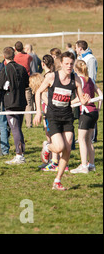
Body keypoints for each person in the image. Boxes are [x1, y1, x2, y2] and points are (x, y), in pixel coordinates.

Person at [34, 52, 89, 190]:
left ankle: (57, 180)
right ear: (61, 64)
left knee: (68, 148)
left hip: (67, 117)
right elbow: (38, 92)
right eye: (66, 64)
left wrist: (85, 99)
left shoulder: (75, 80)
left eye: (71, 64)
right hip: (53, 116)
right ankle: (47, 147)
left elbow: (81, 99)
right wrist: (39, 112)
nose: (69, 66)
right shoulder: (52, 77)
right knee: (59, 147)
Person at [0, 47, 29, 165]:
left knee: (15, 129)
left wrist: (6, 87)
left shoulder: (5, 70)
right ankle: (21, 153)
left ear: (4, 57)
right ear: (14, 55)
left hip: (11, 103)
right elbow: (27, 84)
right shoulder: (22, 68)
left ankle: (19, 155)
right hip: (21, 102)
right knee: (18, 128)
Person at [70, 60, 102, 174]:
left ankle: (84, 166)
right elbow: (101, 95)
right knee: (89, 140)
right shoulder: (91, 80)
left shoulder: (80, 81)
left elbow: (80, 98)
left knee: (82, 139)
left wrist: (69, 103)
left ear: (76, 70)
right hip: (94, 112)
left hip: (86, 112)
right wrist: (98, 107)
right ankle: (91, 164)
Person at [75, 40, 99, 143]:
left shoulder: (91, 59)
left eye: (76, 47)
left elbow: (91, 76)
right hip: (82, 87)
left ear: (80, 48)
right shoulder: (81, 58)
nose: (75, 49)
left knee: (90, 110)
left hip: (88, 87)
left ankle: (92, 137)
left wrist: (89, 87)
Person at [14, 41, 33, 129]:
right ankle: (29, 123)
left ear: (15, 49)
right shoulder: (27, 56)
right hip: (27, 81)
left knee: (17, 102)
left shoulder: (14, 58)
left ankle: (17, 122)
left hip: (17, 83)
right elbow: (30, 58)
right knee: (28, 103)